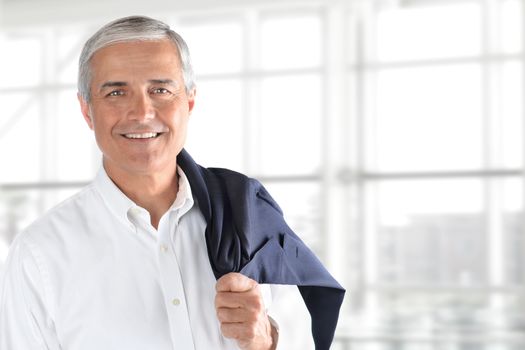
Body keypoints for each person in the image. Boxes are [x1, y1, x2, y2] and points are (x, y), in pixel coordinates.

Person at [0, 16, 344, 349]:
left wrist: (266, 341)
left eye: (160, 89)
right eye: (116, 93)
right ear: (87, 110)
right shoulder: (40, 254)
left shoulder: (252, 221)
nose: (142, 113)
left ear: (189, 101)